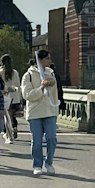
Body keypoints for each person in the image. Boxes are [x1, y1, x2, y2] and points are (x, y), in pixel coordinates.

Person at [21, 47, 60, 175]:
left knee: (51, 138)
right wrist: (42, 87)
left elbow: (54, 94)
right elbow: (27, 95)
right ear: (40, 60)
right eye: (47, 58)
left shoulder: (51, 73)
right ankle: (37, 165)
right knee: (37, 140)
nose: (50, 60)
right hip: (35, 113)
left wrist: (53, 84)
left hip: (50, 111)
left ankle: (49, 162)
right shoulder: (28, 75)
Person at [0, 55, 22, 140]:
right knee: (13, 116)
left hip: (5, 97)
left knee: (7, 116)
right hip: (15, 97)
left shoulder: (0, 72)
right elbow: (18, 86)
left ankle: (8, 133)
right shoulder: (15, 72)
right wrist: (20, 98)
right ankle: (15, 128)